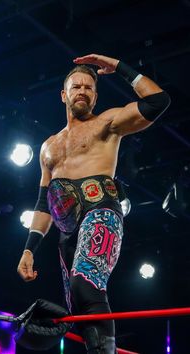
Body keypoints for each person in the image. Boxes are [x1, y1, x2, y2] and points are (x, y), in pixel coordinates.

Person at [17, 54, 170, 353]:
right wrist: (28, 249)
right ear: (64, 94)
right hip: (66, 230)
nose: (83, 91)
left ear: (96, 95)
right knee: (76, 305)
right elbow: (43, 203)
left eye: (89, 88)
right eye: (76, 87)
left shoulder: (107, 123)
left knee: (85, 284)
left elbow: (158, 101)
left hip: (102, 212)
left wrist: (119, 68)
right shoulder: (48, 146)